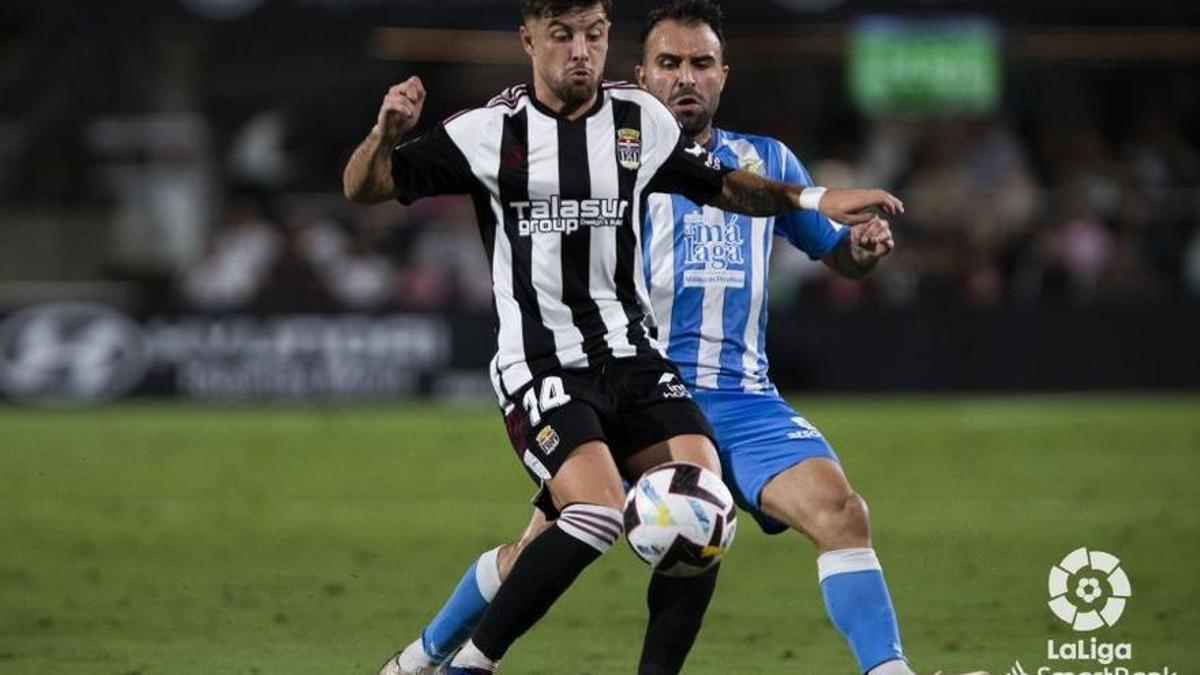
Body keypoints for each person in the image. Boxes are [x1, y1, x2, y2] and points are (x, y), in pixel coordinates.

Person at [345, 1, 902, 673]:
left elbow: (777, 218)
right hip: (579, 371)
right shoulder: (553, 136)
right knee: (571, 529)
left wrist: (835, 223)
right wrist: (387, 135)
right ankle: (432, 658)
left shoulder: (707, 147)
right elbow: (379, 188)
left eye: (701, 64)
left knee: (757, 511)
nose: (685, 79)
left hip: (695, 383)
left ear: (724, 74)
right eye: (669, 64)